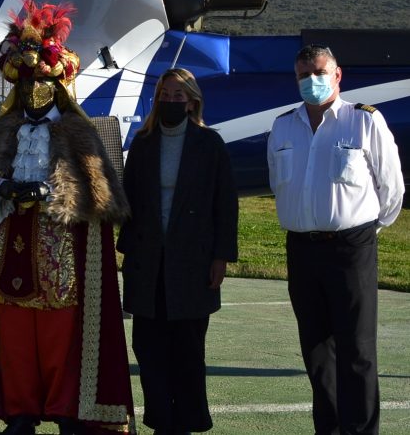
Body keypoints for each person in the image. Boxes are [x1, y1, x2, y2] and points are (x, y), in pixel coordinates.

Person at [0, 0, 133, 435]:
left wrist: (54, 194)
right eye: (27, 79)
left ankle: (67, 409)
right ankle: (21, 410)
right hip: (9, 254)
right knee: (14, 339)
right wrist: (0, 190)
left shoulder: (80, 133)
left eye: (42, 79)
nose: (34, 88)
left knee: (61, 339)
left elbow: (102, 199)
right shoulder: (2, 131)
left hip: (62, 258)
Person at [267, 44, 404, 435]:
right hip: (302, 249)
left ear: (337, 75)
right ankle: (327, 429)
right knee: (316, 350)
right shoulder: (282, 126)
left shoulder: (364, 121)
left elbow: (391, 188)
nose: (312, 81)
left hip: (351, 247)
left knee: (357, 349)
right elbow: (279, 183)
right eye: (303, 75)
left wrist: (365, 230)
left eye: (319, 72)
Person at [116, 68, 238, 434]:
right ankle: (161, 422)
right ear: (157, 99)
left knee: (187, 351)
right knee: (149, 349)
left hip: (193, 262)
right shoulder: (143, 142)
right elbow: (129, 201)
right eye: (165, 95)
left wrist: (221, 257)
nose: (171, 101)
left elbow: (226, 204)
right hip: (149, 262)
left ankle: (187, 422)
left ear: (192, 101)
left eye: (178, 95)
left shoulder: (210, 144)